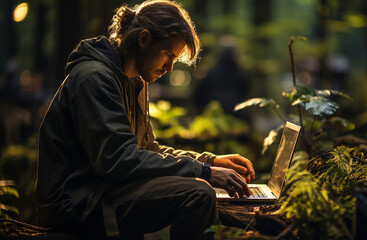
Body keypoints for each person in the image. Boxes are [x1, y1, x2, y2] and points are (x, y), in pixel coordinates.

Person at [35, 1, 255, 239]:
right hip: (74, 200)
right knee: (198, 193)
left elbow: (147, 148)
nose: (170, 68)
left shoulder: (135, 81)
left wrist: (211, 162)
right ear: (144, 39)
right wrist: (203, 172)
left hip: (101, 189)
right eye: (168, 54)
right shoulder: (94, 78)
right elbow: (118, 161)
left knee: (202, 188)